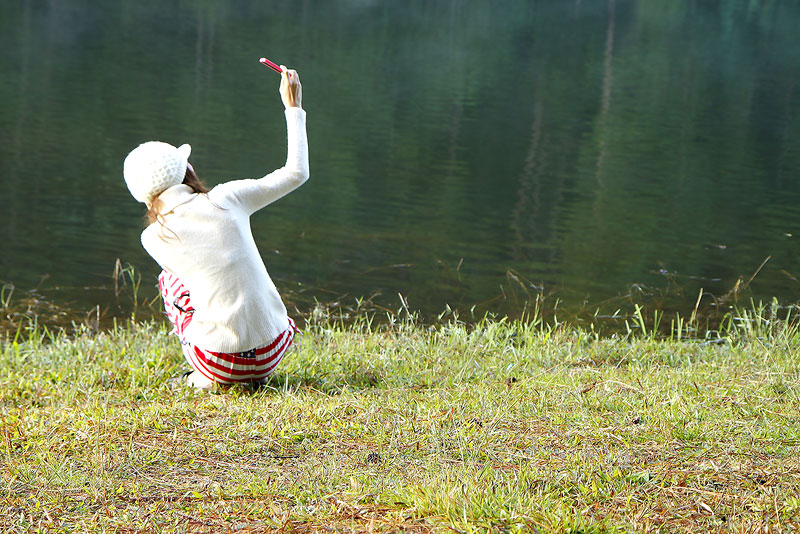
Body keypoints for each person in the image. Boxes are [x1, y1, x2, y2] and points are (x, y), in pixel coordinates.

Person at [122, 66, 307, 389]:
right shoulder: (226, 199)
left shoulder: (153, 238)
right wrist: (293, 107)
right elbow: (296, 173)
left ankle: (203, 378)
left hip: (218, 362)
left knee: (170, 281)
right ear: (187, 169)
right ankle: (254, 369)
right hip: (275, 347)